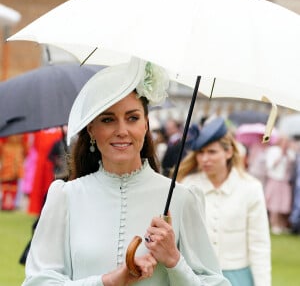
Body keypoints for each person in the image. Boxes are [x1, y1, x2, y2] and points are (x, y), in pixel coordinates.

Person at [22, 58, 230, 286]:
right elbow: (37, 282)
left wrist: (174, 261)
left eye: (132, 118)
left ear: (146, 124)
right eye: (108, 119)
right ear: (91, 129)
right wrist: (107, 281)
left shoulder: (182, 198)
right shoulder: (65, 197)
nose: (122, 131)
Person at [177, 117, 271, 286]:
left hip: (238, 278)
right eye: (200, 152)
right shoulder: (187, 186)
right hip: (197, 277)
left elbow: (259, 246)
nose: (205, 159)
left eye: (212, 152)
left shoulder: (251, 188)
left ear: (228, 152)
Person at [265, 135, 295, 234]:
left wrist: (286, 154)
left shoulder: (289, 153)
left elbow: (292, 165)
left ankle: (282, 225)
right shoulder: (273, 151)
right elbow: (270, 166)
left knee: (284, 204)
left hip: (285, 181)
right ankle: (274, 224)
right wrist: (281, 155)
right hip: (275, 179)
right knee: (275, 204)